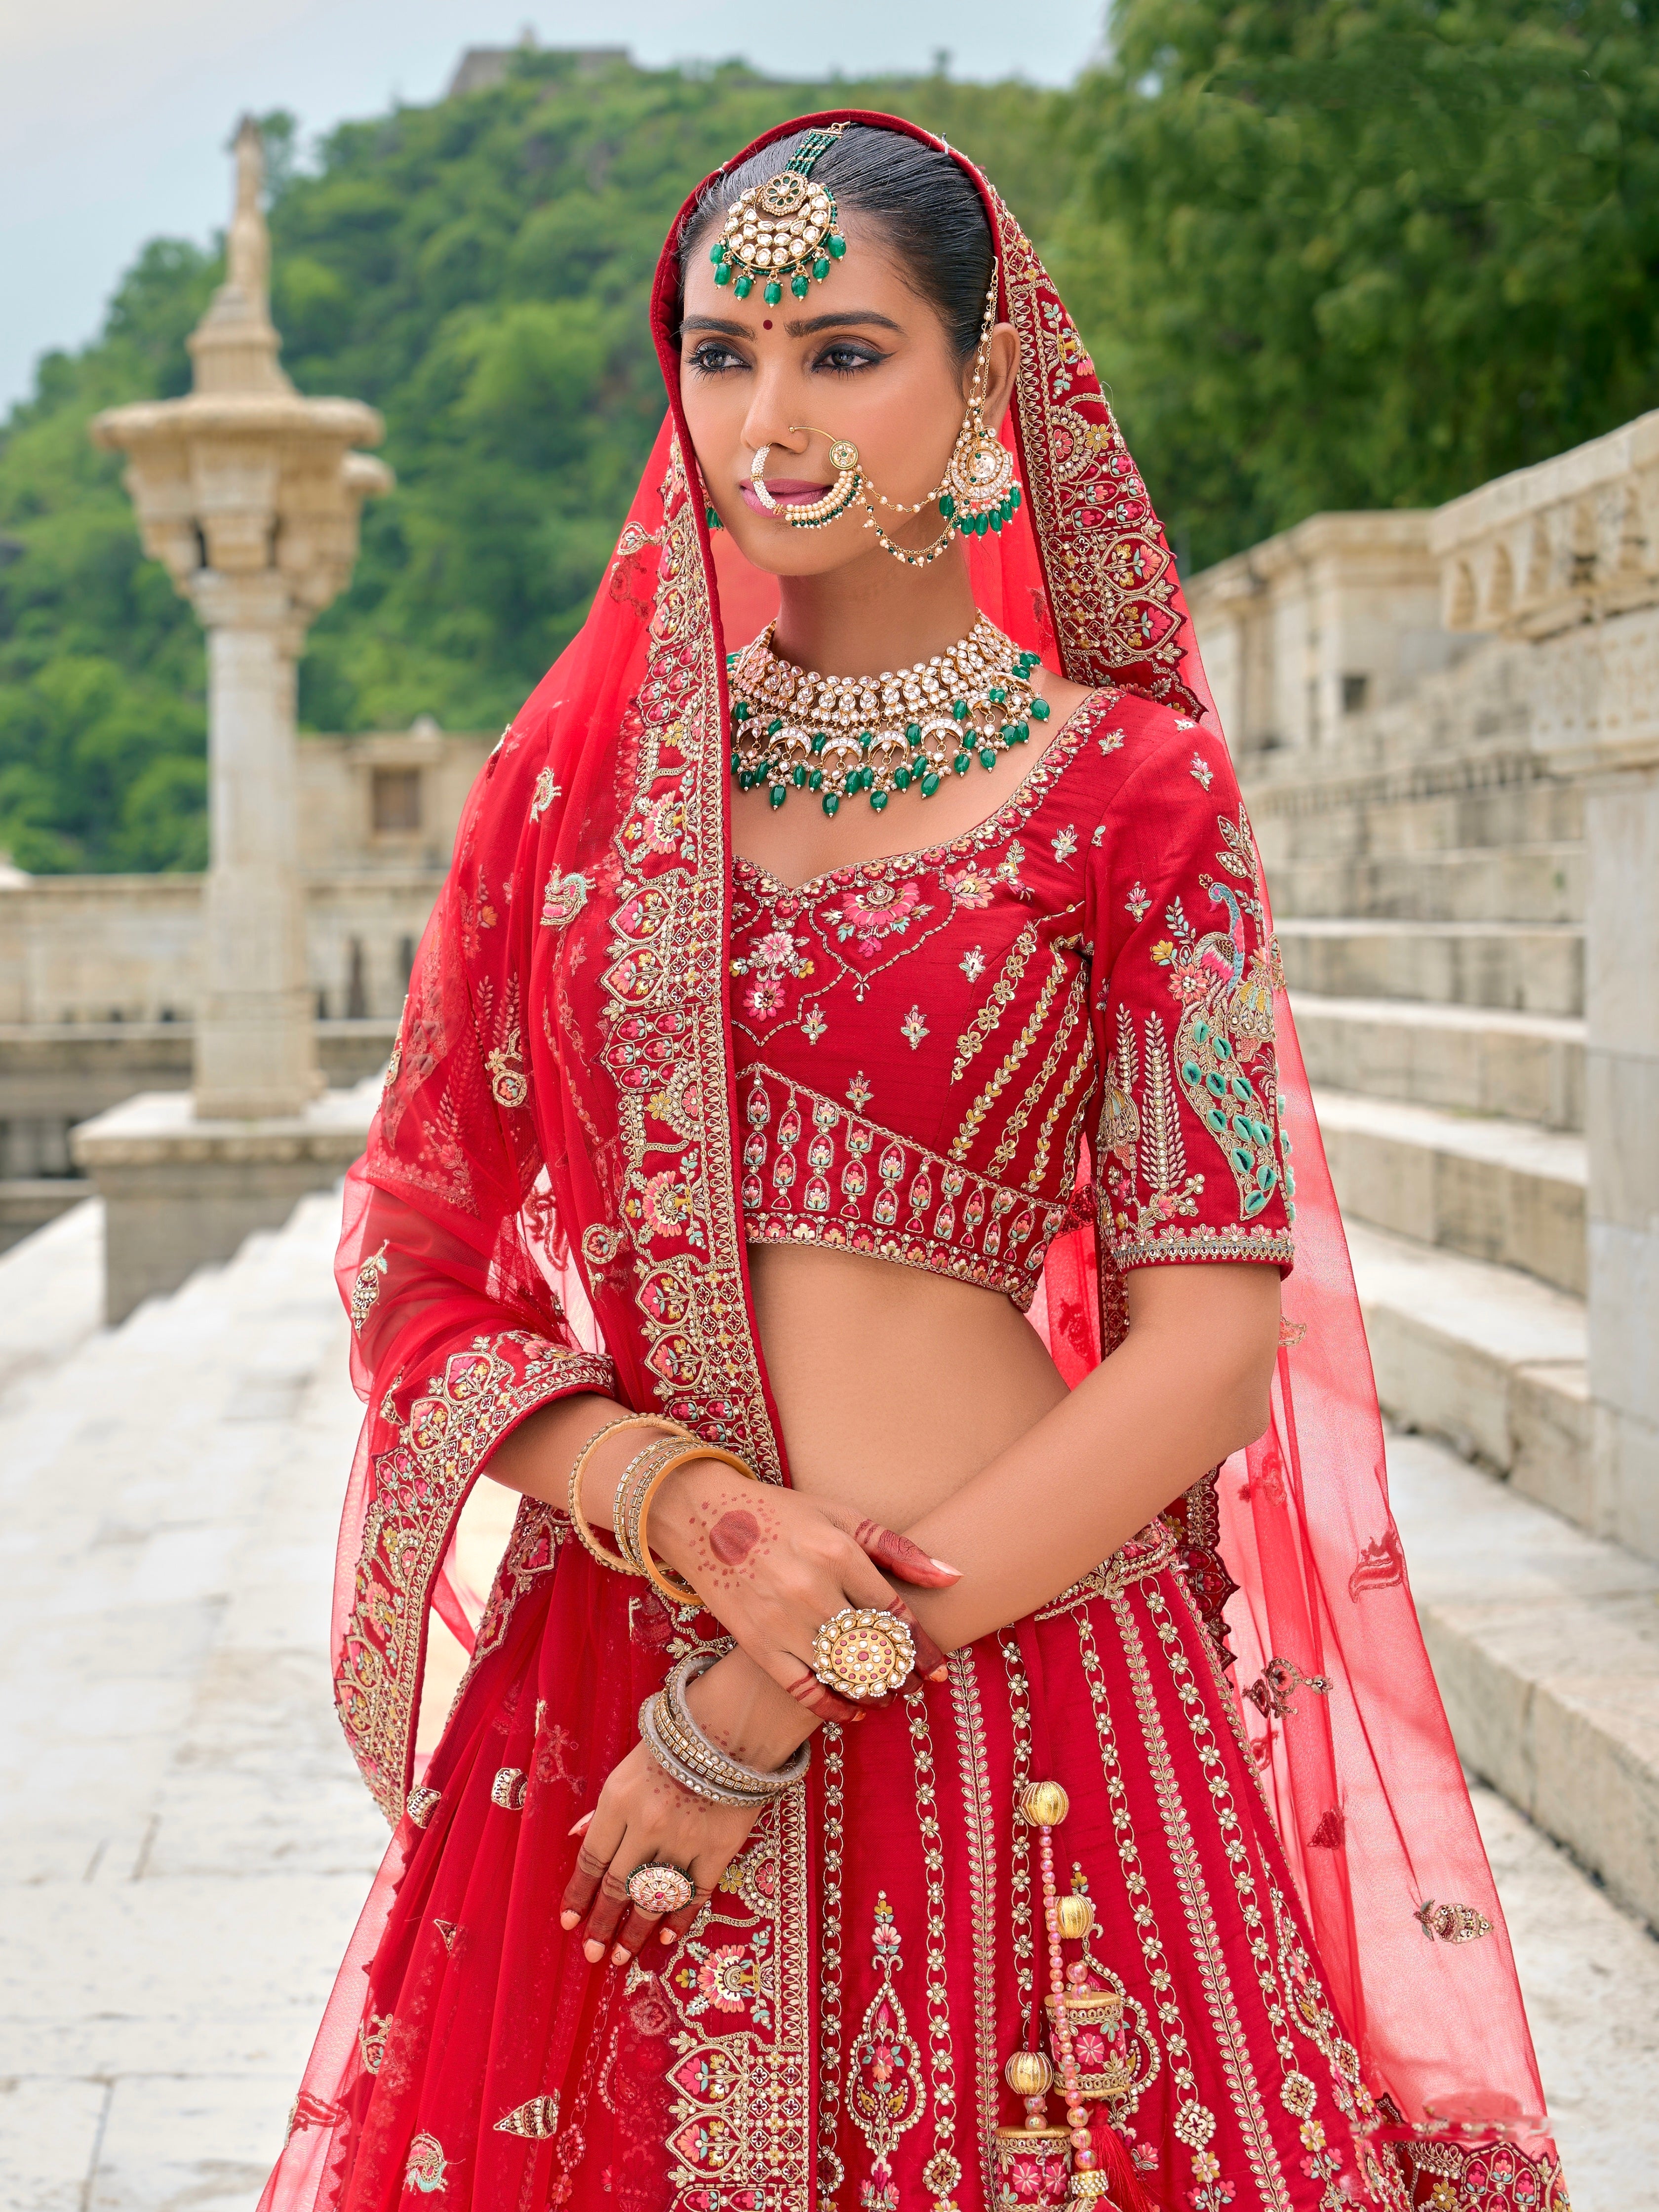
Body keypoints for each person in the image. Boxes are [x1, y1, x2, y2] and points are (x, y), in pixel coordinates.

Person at [261, 114, 1564, 2212]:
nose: (767, 420)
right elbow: (416, 1270)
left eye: (844, 353)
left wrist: (784, 1681)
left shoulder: (1130, 793)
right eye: (721, 356)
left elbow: (1212, 1349)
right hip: (625, 1654)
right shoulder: (578, 809)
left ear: (986, 388)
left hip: (1020, 1673)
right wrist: (675, 1503)